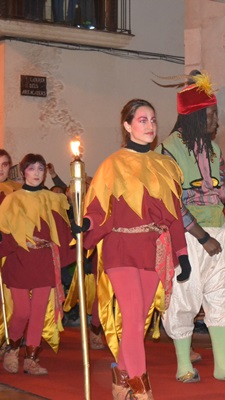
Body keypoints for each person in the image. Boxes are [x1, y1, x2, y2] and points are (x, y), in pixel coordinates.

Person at [77, 99, 190, 399]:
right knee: (130, 314)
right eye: (142, 120)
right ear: (127, 126)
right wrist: (86, 224)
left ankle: (121, 378)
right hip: (120, 247)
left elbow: (174, 216)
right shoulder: (112, 164)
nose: (150, 125)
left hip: (153, 250)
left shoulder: (166, 166)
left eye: (152, 119)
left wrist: (182, 255)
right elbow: (98, 208)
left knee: (137, 320)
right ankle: (141, 387)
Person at [157, 71, 225, 383]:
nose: (217, 121)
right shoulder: (169, 150)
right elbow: (173, 203)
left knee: (220, 297)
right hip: (189, 237)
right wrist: (201, 238)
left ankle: (222, 364)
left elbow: (218, 193)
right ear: (197, 115)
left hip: (219, 233)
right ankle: (184, 364)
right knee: (184, 298)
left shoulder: (214, 151)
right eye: (212, 114)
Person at [0, 153, 75, 376]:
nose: (36, 174)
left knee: (39, 312)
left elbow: (63, 231)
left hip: (44, 261)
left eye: (40, 169)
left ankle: (31, 358)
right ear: (23, 172)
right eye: (32, 169)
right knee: (22, 311)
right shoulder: (12, 200)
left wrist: (77, 235)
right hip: (20, 260)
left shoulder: (53, 198)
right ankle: (12, 349)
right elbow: (5, 231)